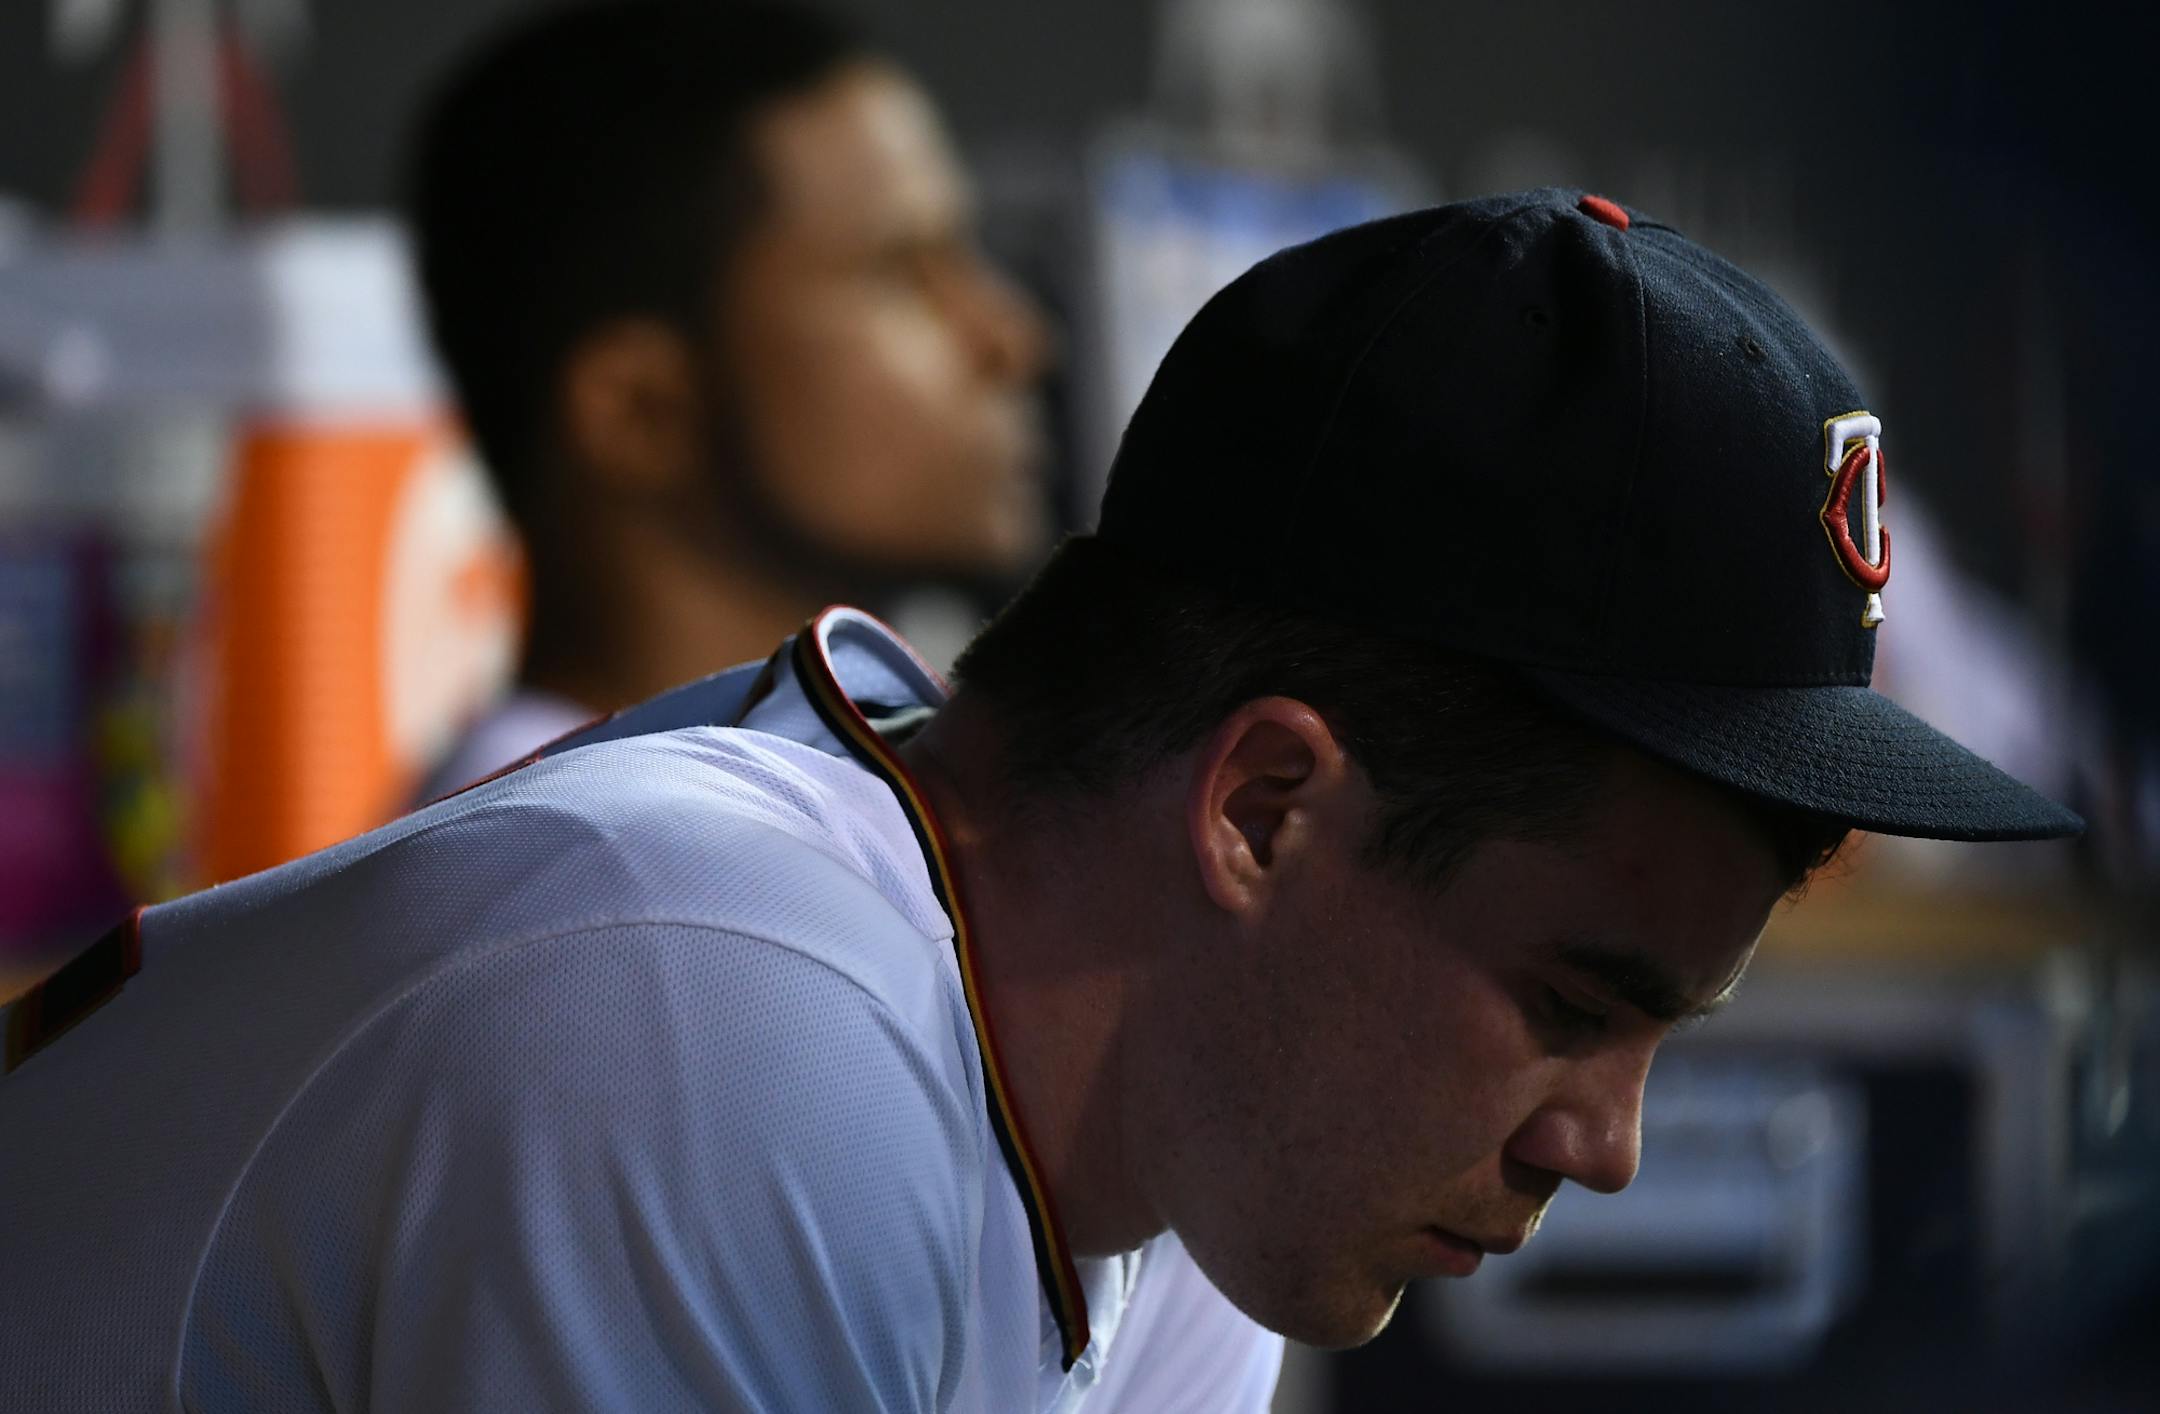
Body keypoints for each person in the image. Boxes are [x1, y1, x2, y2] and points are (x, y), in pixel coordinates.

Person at [0, 190, 2081, 1411]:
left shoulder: (1193, 1159)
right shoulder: (732, 1009)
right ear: (1266, 804)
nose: (1601, 1145)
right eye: (1571, 995)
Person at [405, 0, 1050, 795]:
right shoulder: (572, 860)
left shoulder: (751, 813)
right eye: (901, 273)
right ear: (640, 409)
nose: (1012, 340)